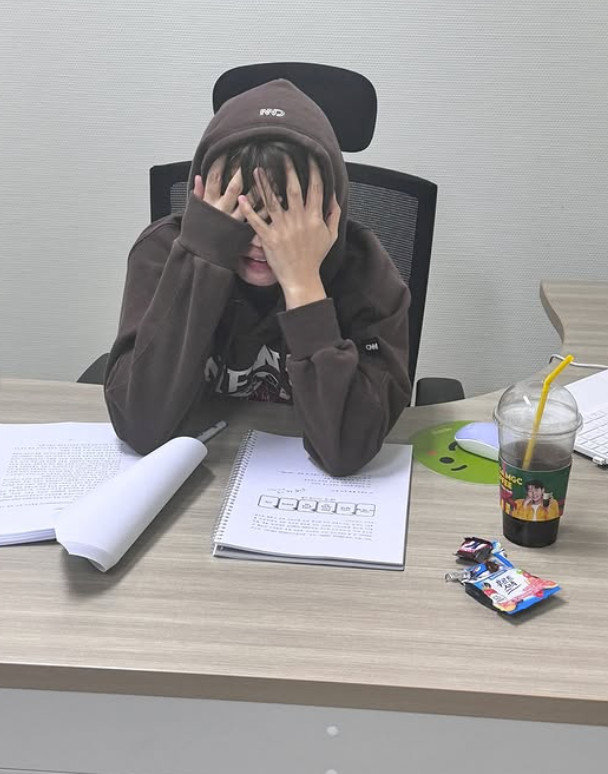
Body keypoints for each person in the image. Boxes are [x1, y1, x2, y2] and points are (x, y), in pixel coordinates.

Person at [104, 79, 412, 476]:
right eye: (239, 211)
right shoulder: (163, 254)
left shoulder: (365, 271)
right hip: (206, 470)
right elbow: (140, 427)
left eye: (284, 216)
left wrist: (303, 284)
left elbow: (347, 450)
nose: (260, 238)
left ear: (327, 212)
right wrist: (202, 258)